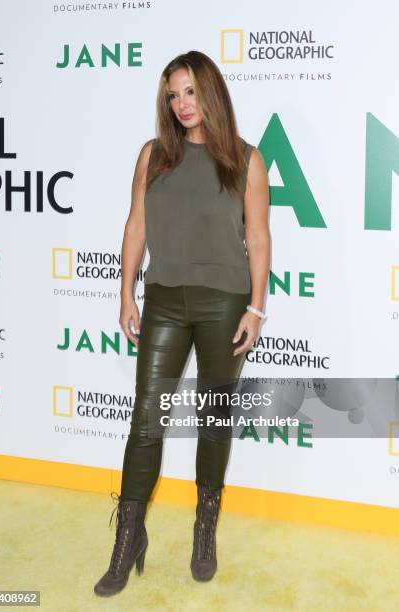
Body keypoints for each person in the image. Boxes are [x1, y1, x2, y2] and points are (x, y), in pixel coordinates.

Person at [94, 50, 270, 597]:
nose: (182, 104)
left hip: (226, 304)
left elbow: (259, 238)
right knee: (146, 422)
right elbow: (135, 226)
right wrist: (126, 293)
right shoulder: (154, 157)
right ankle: (128, 539)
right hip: (165, 300)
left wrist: (256, 308)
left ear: (210, 92)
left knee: (214, 420)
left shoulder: (246, 159)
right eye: (173, 94)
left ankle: (204, 528)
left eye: (190, 91)